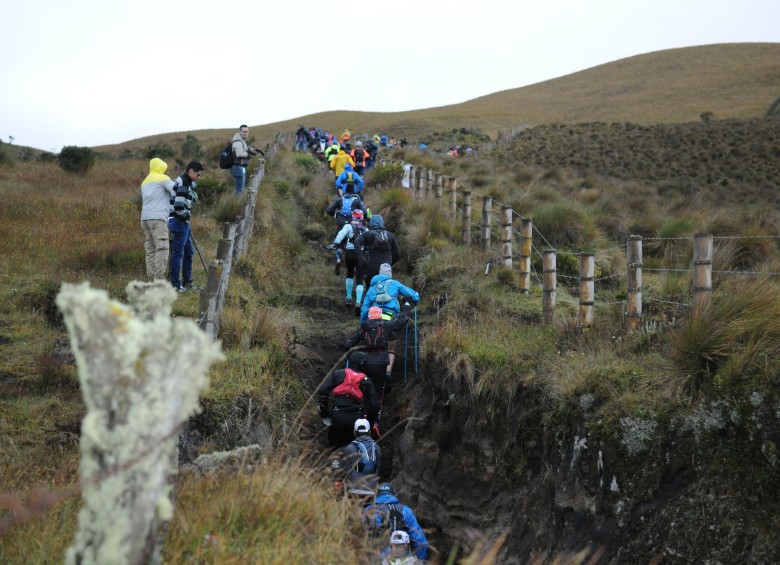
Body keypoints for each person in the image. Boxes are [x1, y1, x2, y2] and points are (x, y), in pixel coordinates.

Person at [360, 264, 419, 378]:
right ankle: (387, 373)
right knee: (390, 349)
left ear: (379, 273)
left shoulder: (372, 288)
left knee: (372, 347)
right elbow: (411, 294)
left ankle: (369, 374)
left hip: (373, 321)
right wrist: (416, 297)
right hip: (390, 319)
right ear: (390, 274)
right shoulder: (394, 284)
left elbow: (364, 309)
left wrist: (363, 323)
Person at [317, 351, 380, 447]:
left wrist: (325, 415)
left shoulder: (337, 374)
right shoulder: (367, 380)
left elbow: (322, 391)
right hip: (356, 418)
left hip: (337, 415)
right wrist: (369, 423)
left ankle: (335, 461)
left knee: (335, 446)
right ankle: (351, 461)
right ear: (362, 363)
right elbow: (375, 405)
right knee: (352, 449)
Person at [345, 304, 410, 396]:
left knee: (364, 387)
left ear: (369, 316)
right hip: (381, 363)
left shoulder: (362, 328)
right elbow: (402, 320)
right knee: (378, 389)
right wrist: (406, 307)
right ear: (380, 316)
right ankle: (377, 406)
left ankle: (363, 405)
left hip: (365, 363)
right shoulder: (386, 325)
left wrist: (349, 355)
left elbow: (348, 344)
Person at [364, 482, 428, 561]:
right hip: (404, 558)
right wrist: (422, 560)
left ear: (377, 495)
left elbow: (359, 536)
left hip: (379, 559)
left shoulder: (370, 510)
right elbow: (420, 541)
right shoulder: (406, 511)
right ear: (394, 495)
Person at [168, 161, 203, 292]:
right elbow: (178, 206)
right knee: (179, 253)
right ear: (191, 171)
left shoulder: (185, 182)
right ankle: (176, 285)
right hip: (179, 221)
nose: (199, 177)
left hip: (181, 222)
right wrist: (185, 217)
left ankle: (187, 282)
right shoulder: (183, 182)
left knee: (189, 252)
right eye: (198, 175)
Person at [355, 215, 401, 313]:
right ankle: (386, 313)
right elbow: (397, 254)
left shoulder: (368, 234)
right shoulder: (390, 235)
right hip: (386, 270)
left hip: (371, 269)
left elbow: (357, 242)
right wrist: (389, 264)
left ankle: (370, 314)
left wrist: (361, 260)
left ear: (371, 223)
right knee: (387, 291)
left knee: (371, 292)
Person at [140, 158, 176, 281]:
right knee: (162, 247)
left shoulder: (145, 181)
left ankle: (151, 277)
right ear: (162, 167)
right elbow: (175, 190)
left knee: (150, 249)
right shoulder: (163, 178)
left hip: (145, 218)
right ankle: (159, 280)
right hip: (158, 218)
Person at [328, 209, 368, 306]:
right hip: (362, 253)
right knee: (359, 278)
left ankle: (349, 297)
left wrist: (335, 244)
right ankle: (358, 301)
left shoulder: (348, 226)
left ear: (353, 216)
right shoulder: (366, 229)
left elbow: (340, 236)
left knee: (349, 274)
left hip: (350, 252)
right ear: (362, 217)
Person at [338, 418, 381, 496]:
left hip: (354, 490)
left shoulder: (350, 448)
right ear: (369, 432)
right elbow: (378, 468)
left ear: (355, 432)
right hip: (372, 491)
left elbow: (343, 470)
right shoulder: (377, 448)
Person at [231, 125, 264, 196]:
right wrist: (249, 153)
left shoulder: (241, 141)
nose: (245, 133)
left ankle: (236, 204)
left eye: (246, 131)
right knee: (239, 190)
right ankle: (237, 205)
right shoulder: (238, 142)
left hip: (240, 167)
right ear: (240, 131)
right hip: (238, 167)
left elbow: (243, 153)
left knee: (240, 189)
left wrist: (250, 153)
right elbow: (239, 154)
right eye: (243, 131)